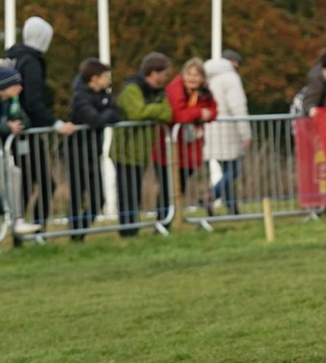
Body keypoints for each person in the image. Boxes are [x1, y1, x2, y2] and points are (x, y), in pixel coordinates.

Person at [4, 16, 75, 228]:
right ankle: (34, 229)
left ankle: (24, 229)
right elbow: (33, 101)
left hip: (21, 130)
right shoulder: (31, 62)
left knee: (28, 182)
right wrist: (55, 123)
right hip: (27, 130)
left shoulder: (16, 58)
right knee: (43, 183)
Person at [0, 67, 42, 236]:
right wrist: (6, 128)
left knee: (13, 172)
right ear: (4, 87)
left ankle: (17, 219)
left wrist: (17, 123)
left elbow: (26, 121)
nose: (20, 88)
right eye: (16, 85)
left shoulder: (11, 101)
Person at [112, 53, 173, 237]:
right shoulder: (132, 89)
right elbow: (137, 113)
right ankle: (127, 232)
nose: (166, 77)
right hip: (125, 151)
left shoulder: (158, 91)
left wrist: (151, 110)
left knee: (135, 193)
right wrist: (156, 110)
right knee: (127, 194)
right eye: (164, 73)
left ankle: (133, 230)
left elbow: (168, 113)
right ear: (154, 72)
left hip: (141, 152)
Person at [153, 58, 217, 221]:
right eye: (189, 74)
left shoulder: (204, 92)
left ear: (202, 78)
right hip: (168, 149)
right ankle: (163, 220)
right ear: (183, 74)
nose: (192, 78)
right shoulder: (175, 89)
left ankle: (176, 218)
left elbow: (213, 110)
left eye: (196, 75)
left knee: (180, 186)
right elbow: (177, 114)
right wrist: (199, 113)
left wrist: (204, 114)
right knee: (167, 188)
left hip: (190, 150)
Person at [66, 59, 122, 241]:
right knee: (77, 195)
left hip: (93, 152)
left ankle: (79, 231)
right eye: (105, 76)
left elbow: (117, 113)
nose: (108, 80)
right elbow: (95, 120)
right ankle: (75, 234)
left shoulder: (104, 94)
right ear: (94, 78)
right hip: (77, 152)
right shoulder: (81, 96)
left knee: (98, 198)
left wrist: (106, 113)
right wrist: (106, 113)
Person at [204, 49, 251, 216]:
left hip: (210, 130)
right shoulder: (230, 77)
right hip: (227, 131)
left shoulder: (207, 76)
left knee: (227, 171)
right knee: (234, 170)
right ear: (233, 62)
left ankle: (233, 209)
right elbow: (237, 107)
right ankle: (212, 194)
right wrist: (246, 133)